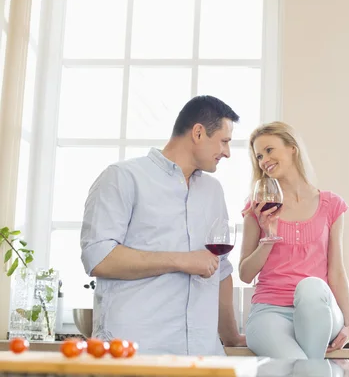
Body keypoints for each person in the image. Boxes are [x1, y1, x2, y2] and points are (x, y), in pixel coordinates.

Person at [80, 95, 246, 355]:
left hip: (203, 355)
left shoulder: (213, 191)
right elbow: (99, 258)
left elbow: (221, 270)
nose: (227, 152)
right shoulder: (122, 177)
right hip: (137, 351)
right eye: (224, 141)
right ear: (198, 133)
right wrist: (181, 260)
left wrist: (231, 336)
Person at [238, 121, 349, 359]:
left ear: (292, 147)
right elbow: (245, 274)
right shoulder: (257, 207)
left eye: (269, 150)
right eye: (259, 156)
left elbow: (336, 271)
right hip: (269, 313)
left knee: (310, 286)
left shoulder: (331, 205)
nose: (264, 160)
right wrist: (268, 237)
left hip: (318, 310)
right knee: (300, 364)